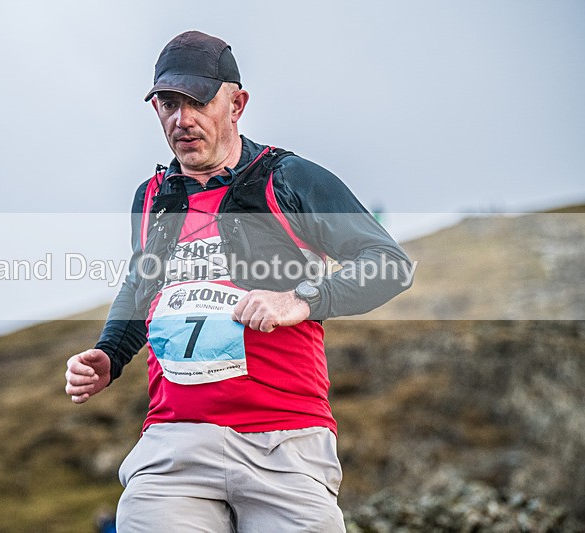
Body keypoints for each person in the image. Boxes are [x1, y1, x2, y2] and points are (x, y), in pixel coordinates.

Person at [65, 30, 413, 532]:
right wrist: (110, 353)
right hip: (174, 446)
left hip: (285, 443)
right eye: (168, 104)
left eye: (197, 102)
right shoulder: (152, 197)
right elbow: (143, 281)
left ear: (236, 104)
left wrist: (301, 299)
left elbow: (389, 263)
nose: (182, 120)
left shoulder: (290, 179)